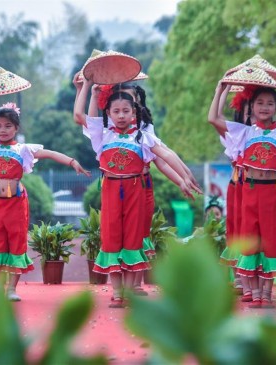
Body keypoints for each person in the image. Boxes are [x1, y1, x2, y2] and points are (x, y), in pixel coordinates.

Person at [74, 77, 196, 308]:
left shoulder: (142, 135)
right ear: (107, 113)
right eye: (116, 111)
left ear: (134, 112)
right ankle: (117, 292)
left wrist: (186, 177)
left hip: (135, 191)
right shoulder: (102, 135)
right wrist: (89, 90)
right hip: (111, 190)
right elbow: (85, 117)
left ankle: (130, 292)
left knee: (132, 240)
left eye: (126, 111)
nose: (121, 115)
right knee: (111, 239)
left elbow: (167, 155)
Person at [0, 97, 90, 301]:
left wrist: (72, 161)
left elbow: (50, 154)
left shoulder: (23, 150)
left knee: (16, 242)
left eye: (8, 126)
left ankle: (11, 290)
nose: (3, 130)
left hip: (16, 203)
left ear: (16, 128)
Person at [210, 82, 276, 308]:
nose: (265, 107)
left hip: (271, 193)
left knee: (271, 240)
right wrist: (222, 89)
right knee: (249, 239)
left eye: (270, 103)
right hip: (248, 190)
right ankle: (253, 291)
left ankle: (265, 293)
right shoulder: (243, 132)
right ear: (251, 107)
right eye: (260, 103)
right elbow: (213, 119)